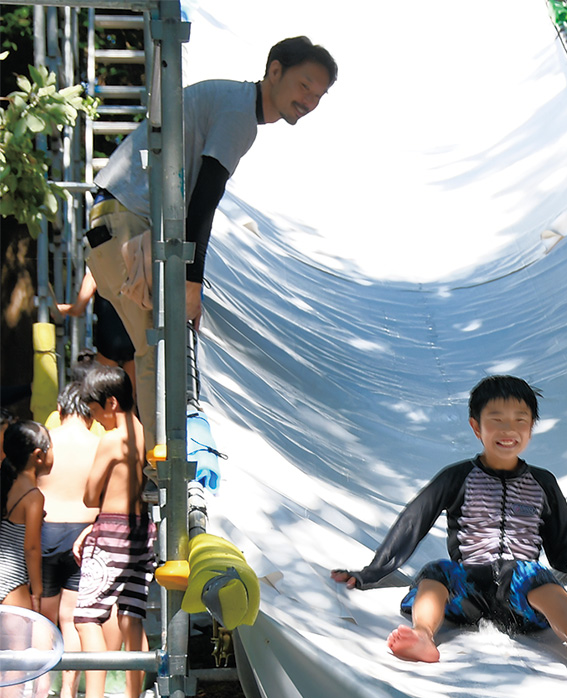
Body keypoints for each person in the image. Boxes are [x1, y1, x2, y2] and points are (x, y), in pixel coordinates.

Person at [85, 35, 339, 452]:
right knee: (158, 347)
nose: (309, 100)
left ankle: (161, 462)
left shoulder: (232, 99)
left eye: (319, 95)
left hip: (118, 223)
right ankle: (162, 463)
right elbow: (205, 197)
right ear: (274, 70)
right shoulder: (240, 114)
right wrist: (191, 281)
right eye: (304, 85)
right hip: (125, 223)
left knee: (159, 345)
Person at [331, 375, 567, 677]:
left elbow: (565, 549)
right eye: (496, 419)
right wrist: (369, 573)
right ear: (476, 427)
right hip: (466, 586)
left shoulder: (543, 483)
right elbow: (413, 522)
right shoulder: (455, 478)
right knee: (434, 572)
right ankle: (423, 636)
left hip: (520, 593)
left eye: (519, 420)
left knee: (542, 579)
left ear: (531, 427)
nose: (508, 429)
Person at [53, 365, 155, 698]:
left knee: (87, 616)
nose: (95, 418)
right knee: (131, 616)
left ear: (111, 403)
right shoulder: (143, 431)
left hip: (110, 530)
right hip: (141, 529)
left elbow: (91, 492)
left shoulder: (112, 439)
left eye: (95, 410)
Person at [40, 382, 111, 698]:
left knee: (42, 620)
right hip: (84, 534)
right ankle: (68, 694)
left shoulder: (43, 442)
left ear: (60, 407)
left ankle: (36, 694)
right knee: (71, 620)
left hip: (44, 531)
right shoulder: (100, 444)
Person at [55, 268, 136, 399]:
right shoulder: (132, 269)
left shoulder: (95, 273)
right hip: (132, 337)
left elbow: (78, 309)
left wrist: (62, 308)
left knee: (103, 394)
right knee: (129, 398)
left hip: (108, 338)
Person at [0, 421, 53, 611]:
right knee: (19, 640)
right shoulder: (33, 497)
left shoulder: (6, 485)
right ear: (38, 455)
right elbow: (31, 548)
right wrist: (37, 591)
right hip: (12, 581)